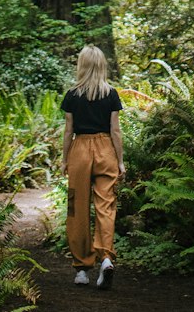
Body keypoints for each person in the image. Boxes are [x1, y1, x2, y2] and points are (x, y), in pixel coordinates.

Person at [61, 43, 125, 290]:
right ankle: (106, 258)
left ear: (82, 65)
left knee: (77, 208)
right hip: (106, 149)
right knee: (106, 205)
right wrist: (119, 160)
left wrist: (65, 159)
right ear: (102, 66)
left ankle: (81, 269)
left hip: (80, 150)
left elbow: (68, 131)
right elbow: (116, 131)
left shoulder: (72, 95)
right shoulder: (111, 94)